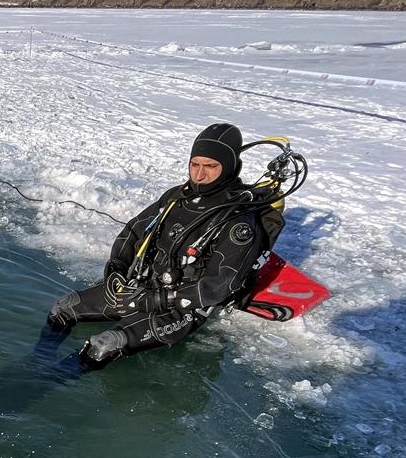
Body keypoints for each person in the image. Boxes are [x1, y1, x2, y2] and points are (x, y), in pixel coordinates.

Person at [46, 123, 273, 367]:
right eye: (194, 164)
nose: (199, 175)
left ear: (228, 168)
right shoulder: (176, 197)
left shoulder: (237, 220)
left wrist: (158, 300)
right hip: (140, 288)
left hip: (181, 308)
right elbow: (132, 231)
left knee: (105, 345)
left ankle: (49, 382)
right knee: (63, 307)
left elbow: (219, 285)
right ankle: (38, 362)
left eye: (210, 167)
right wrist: (116, 270)